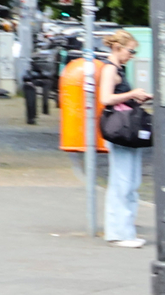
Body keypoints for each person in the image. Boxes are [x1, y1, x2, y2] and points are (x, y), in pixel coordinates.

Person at [60, 30, 155, 246]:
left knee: (129, 181)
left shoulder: (118, 68)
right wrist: (132, 94)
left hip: (124, 127)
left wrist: (137, 97)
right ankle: (119, 233)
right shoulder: (110, 69)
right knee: (123, 181)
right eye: (131, 50)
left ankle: (125, 231)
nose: (133, 54)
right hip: (120, 129)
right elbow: (105, 98)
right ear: (118, 48)